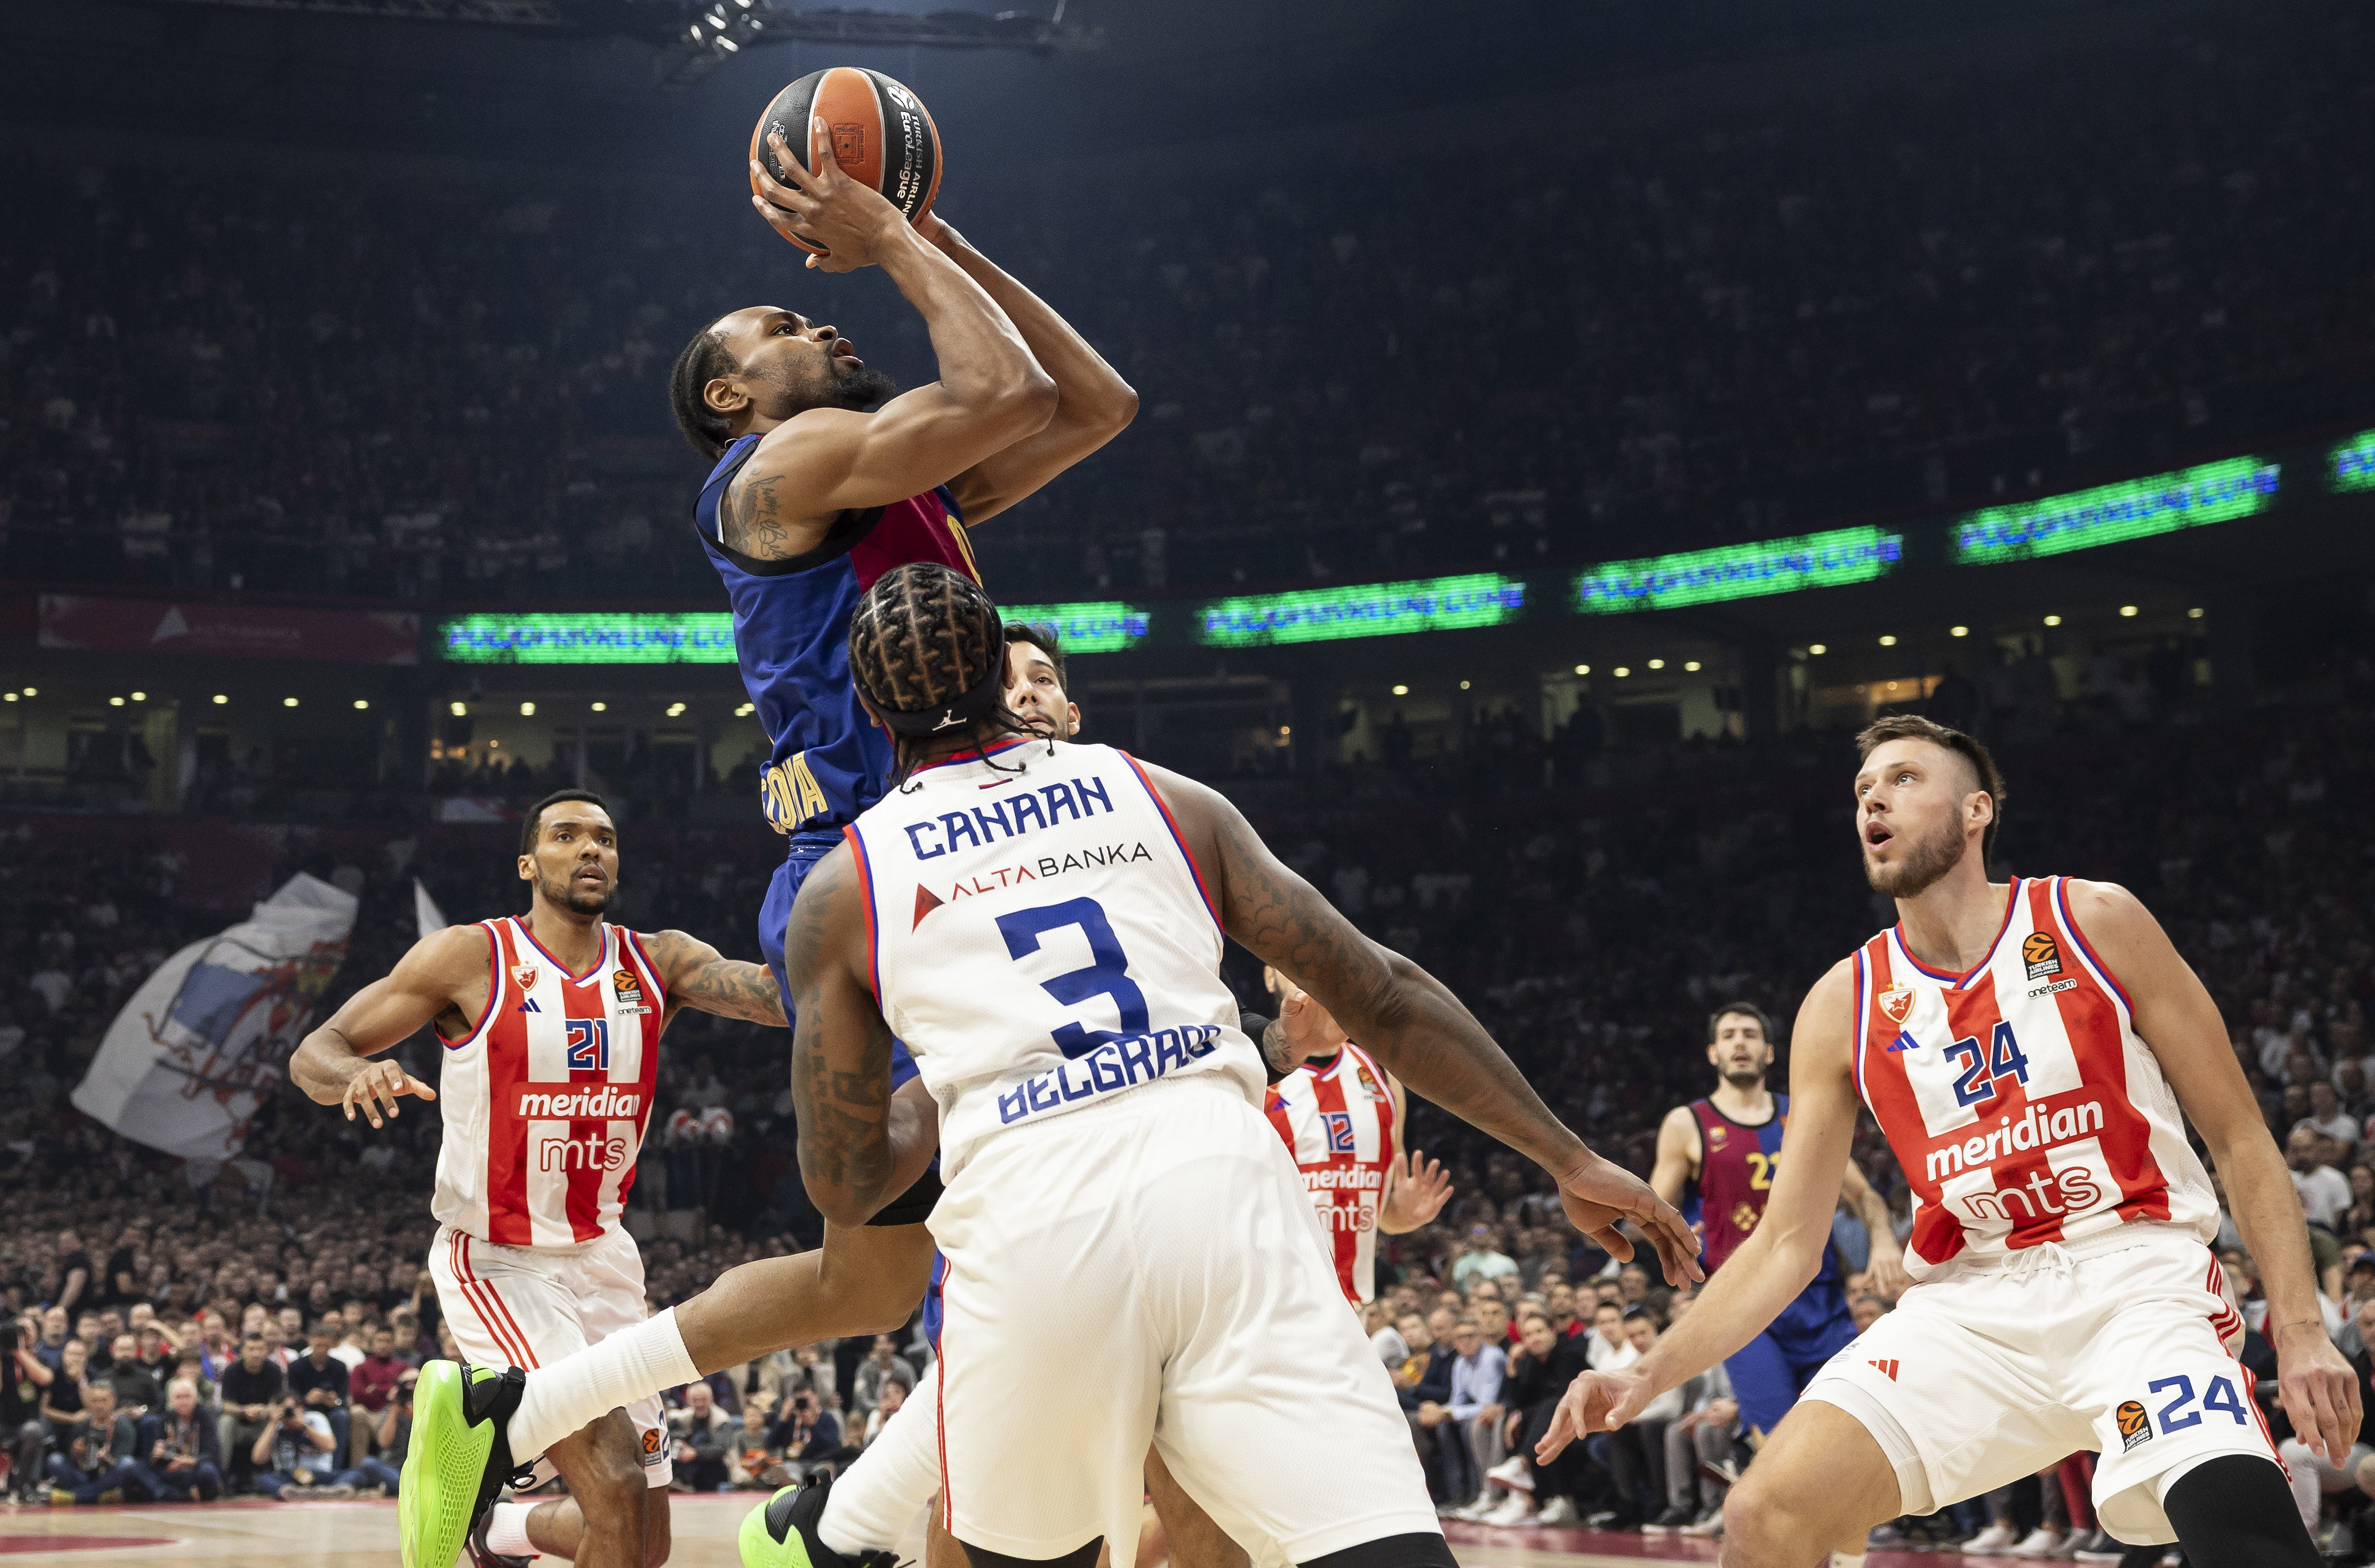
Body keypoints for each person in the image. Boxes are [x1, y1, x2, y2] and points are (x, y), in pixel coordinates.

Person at [747, 563, 1697, 1568]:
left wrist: (974, 1078)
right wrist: (1566, 1157)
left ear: (866, 709)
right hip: (1220, 1185)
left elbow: (844, 1180)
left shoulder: (842, 888)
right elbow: (1380, 991)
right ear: (998, 676)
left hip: (1033, 1223)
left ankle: (829, 1534)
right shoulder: (1161, 795)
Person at [1540, 713, 2359, 1568]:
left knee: (2245, 1534)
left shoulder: (2093, 918)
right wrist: (1645, 1374)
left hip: (2133, 1284)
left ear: (1976, 811)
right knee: (1765, 1515)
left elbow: (2238, 1134)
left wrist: (2299, 1328)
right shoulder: (1842, 1001)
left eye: (1901, 779)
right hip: (1968, 1306)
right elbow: (1784, 1243)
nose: (1872, 800)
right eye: (1862, 790)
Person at [290, 789, 805, 1568]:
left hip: (605, 1256)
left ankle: (492, 1529)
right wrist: (355, 1074)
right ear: (530, 862)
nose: (590, 849)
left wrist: (816, 861)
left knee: (646, 1541)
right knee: (616, 1487)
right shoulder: (470, 956)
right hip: (501, 1258)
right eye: (567, 836)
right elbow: (315, 1051)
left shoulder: (657, 959)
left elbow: (783, 996)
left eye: (603, 837)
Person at [1647, 1002, 1908, 1475]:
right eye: (1729, 1036)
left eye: (1750, 1034)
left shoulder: (1802, 1117)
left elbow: (1865, 1195)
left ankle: (1844, 1547)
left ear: (1769, 1052)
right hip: (1745, 1306)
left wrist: (1884, 1238)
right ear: (1713, 1053)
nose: (1740, 1043)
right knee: (1782, 1453)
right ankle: (1759, 1467)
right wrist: (1673, 1233)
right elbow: (1652, 1213)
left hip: (1820, 1299)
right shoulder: (1688, 1124)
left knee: (1850, 1439)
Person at [1260, 969, 1455, 1306]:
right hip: (1277, 1303)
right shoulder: (1251, 1074)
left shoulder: (1382, 1077)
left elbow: (1382, 1215)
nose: (1307, 968)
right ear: (1270, 978)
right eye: (1289, 962)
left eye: (1319, 959)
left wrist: (1403, 1217)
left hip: (1355, 1308)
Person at [45, 1379, 138, 1505]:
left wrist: (106, 1458)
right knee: (54, 1460)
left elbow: (121, 1462)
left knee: (128, 1464)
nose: (99, 1405)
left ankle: (75, 1497)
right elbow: (71, 1462)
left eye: (104, 1401)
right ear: (90, 1402)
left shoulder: (124, 1427)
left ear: (114, 1401)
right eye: (95, 1401)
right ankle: (100, 1497)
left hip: (107, 1477)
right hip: (82, 1475)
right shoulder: (81, 1426)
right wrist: (75, 1453)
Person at [132, 1377, 225, 1503]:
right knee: (137, 1467)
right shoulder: (165, 1419)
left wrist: (188, 1461)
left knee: (207, 1471)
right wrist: (155, 1455)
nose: (183, 1402)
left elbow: (212, 1455)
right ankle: (174, 1495)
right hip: (173, 1472)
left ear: (195, 1398)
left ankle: (174, 1495)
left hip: (194, 1469)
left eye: (187, 1397)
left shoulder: (205, 1417)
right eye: (178, 1397)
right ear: (171, 1400)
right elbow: (156, 1460)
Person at [217, 1330, 283, 1492]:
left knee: (275, 1420)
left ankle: (276, 1474)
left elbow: (277, 1405)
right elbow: (226, 1405)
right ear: (242, 1352)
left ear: (267, 1351)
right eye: (251, 1349)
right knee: (225, 1421)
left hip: (263, 1424)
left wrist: (263, 1410)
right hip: (238, 1425)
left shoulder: (274, 1371)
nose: (256, 1354)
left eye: (260, 1349)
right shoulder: (232, 1371)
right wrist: (244, 1410)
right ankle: (221, 1477)